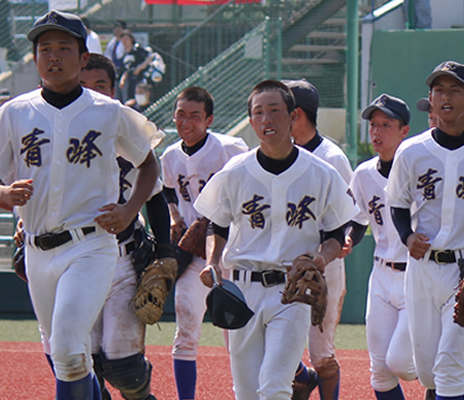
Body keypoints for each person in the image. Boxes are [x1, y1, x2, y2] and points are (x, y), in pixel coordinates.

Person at [0, 10, 161, 400]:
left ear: (83, 58)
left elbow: (148, 164)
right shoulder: (14, 112)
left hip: (90, 245)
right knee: (66, 358)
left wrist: (130, 211)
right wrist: (2, 194)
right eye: (45, 48)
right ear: (35, 58)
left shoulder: (109, 111)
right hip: (37, 250)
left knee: (67, 349)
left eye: (64, 47)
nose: (53, 56)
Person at [195, 79, 359, 400]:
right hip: (242, 290)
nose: (267, 119)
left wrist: (321, 258)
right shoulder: (235, 171)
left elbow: (337, 234)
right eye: (259, 113)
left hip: (292, 290)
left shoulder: (321, 172)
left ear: (292, 116)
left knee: (274, 387)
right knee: (246, 392)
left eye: (275, 111)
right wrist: (213, 261)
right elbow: (217, 224)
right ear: (252, 121)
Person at [387, 61, 464, 400]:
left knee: (447, 366)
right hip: (422, 268)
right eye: (439, 90)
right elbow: (397, 203)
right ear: (430, 99)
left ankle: (460, 348)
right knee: (428, 370)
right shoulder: (412, 150)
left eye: (455, 90)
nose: (445, 97)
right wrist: (406, 236)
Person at [81, 53, 169, 400]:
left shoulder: (126, 127)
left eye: (100, 85)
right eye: (84, 85)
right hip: (74, 256)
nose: (92, 93)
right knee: (83, 364)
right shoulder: (58, 127)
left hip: (122, 257)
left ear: (114, 89)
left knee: (126, 372)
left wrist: (166, 253)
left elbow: (156, 196)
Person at [159, 86, 248, 400]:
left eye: (195, 116)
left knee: (236, 336)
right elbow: (168, 189)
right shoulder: (170, 155)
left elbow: (250, 184)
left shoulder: (229, 149)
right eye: (181, 114)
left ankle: (252, 391)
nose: (186, 122)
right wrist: (173, 215)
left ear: (208, 119)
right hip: (192, 255)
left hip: (231, 254)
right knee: (185, 332)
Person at [283, 78, 353, 400]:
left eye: (278, 109)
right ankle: (301, 380)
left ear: (295, 114)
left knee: (322, 353)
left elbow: (350, 215)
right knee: (278, 342)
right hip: (284, 263)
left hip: (324, 265)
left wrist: (346, 240)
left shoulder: (332, 157)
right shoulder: (277, 155)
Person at [347, 93, 417, 399]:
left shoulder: (420, 170)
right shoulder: (363, 174)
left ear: (404, 131)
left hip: (417, 276)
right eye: (373, 124)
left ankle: (446, 355)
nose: (376, 131)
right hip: (381, 275)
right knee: (380, 370)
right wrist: (349, 237)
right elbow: (359, 218)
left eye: (386, 124)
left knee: (401, 363)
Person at [118, 30, 154, 103]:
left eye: (126, 39)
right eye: (122, 39)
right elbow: (126, 69)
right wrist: (123, 79)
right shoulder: (124, 54)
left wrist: (139, 68)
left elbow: (149, 58)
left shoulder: (138, 50)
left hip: (141, 79)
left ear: (131, 39)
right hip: (131, 81)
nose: (124, 41)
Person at [103, 19, 126, 101]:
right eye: (115, 28)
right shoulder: (112, 43)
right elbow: (107, 56)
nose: (116, 30)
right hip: (114, 73)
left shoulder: (125, 42)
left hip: (124, 73)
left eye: (119, 28)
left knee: (125, 96)